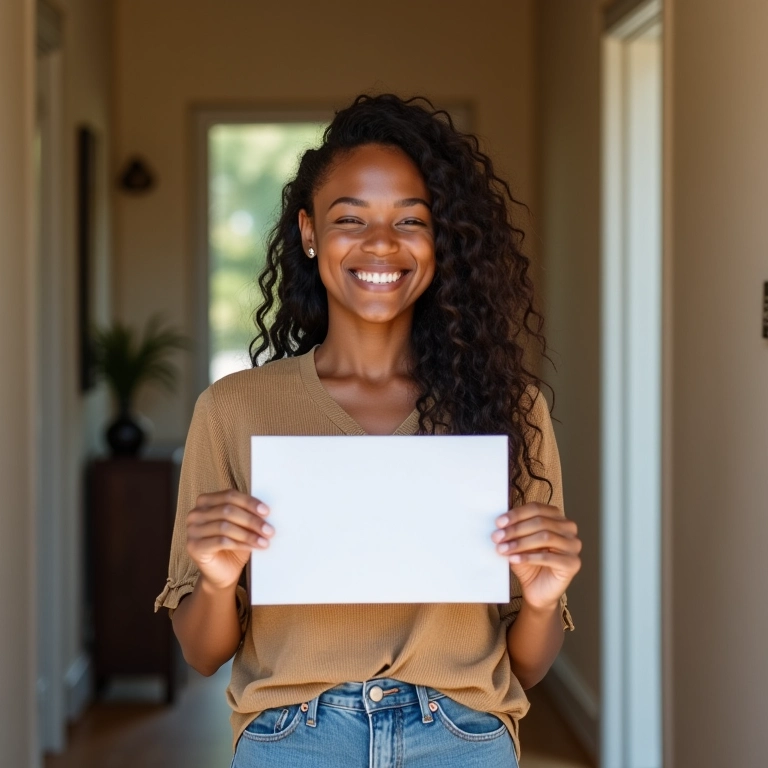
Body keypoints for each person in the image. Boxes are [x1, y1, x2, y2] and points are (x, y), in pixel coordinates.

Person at [155, 93, 582, 768]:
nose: (382, 244)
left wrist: (543, 597)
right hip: (291, 738)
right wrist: (214, 581)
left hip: (462, 736)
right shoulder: (232, 410)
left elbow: (526, 666)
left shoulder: (509, 407)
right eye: (350, 219)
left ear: (440, 237)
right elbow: (204, 654)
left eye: (410, 220)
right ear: (308, 232)